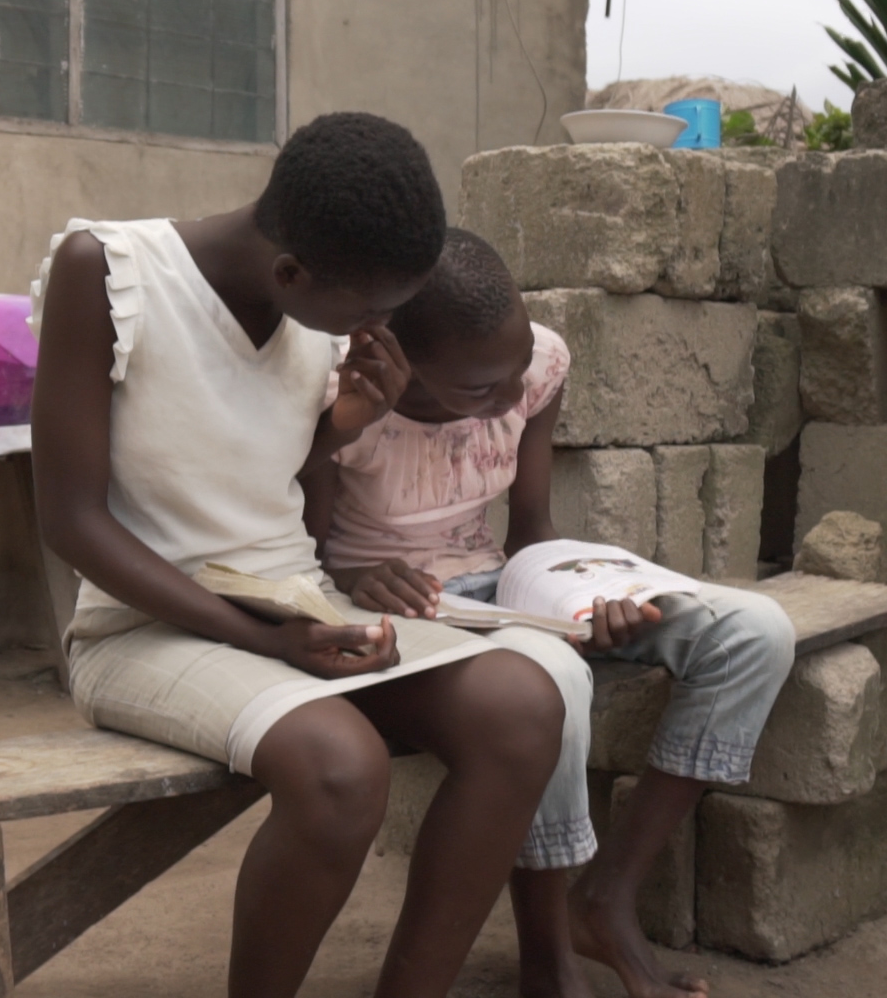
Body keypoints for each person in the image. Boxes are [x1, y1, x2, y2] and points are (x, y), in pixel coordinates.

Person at [28, 114, 569, 998]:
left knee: (520, 702)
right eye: (375, 310)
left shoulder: (324, 304)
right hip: (141, 629)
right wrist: (267, 639)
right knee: (337, 765)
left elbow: (272, 482)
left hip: (294, 608)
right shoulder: (110, 272)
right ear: (291, 274)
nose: (387, 329)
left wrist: (338, 427)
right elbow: (72, 522)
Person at [304, 228, 798, 998]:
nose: (509, 398)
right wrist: (358, 573)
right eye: (480, 390)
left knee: (754, 633)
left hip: (503, 583)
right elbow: (308, 551)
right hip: (406, 611)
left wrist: (583, 598)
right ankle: (548, 958)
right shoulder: (347, 401)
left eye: (516, 374)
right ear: (400, 365)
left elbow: (530, 524)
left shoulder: (534, 365)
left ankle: (606, 899)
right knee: (554, 678)